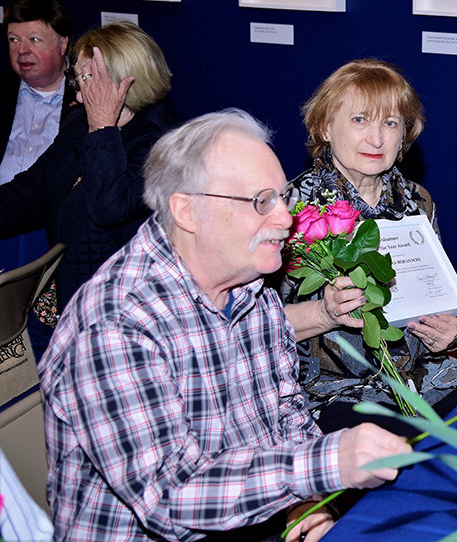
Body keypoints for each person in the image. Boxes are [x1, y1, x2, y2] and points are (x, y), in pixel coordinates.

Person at [37, 109, 412, 542]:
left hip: (253, 520)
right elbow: (169, 497)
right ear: (187, 211)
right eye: (261, 201)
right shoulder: (117, 323)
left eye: (283, 198)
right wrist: (324, 465)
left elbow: (286, 411)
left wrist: (308, 502)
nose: (286, 219)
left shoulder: (250, 287)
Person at [279, 59, 457, 432]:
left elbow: (434, 297)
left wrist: (450, 334)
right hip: (333, 390)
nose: (377, 139)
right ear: (325, 127)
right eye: (359, 120)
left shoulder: (418, 201)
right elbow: (256, 327)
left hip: (424, 376)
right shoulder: (291, 209)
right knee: (412, 458)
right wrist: (324, 311)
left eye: (390, 123)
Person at [0, 21, 179, 357]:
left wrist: (101, 126)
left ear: (124, 83)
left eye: (87, 78)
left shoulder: (162, 144)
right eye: (77, 78)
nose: (78, 93)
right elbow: (33, 190)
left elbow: (109, 207)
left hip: (121, 318)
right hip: (64, 302)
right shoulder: (79, 122)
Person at [1, 0, 77, 185]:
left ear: (62, 44)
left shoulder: (85, 95)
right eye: (14, 39)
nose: (21, 50)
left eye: (34, 39)